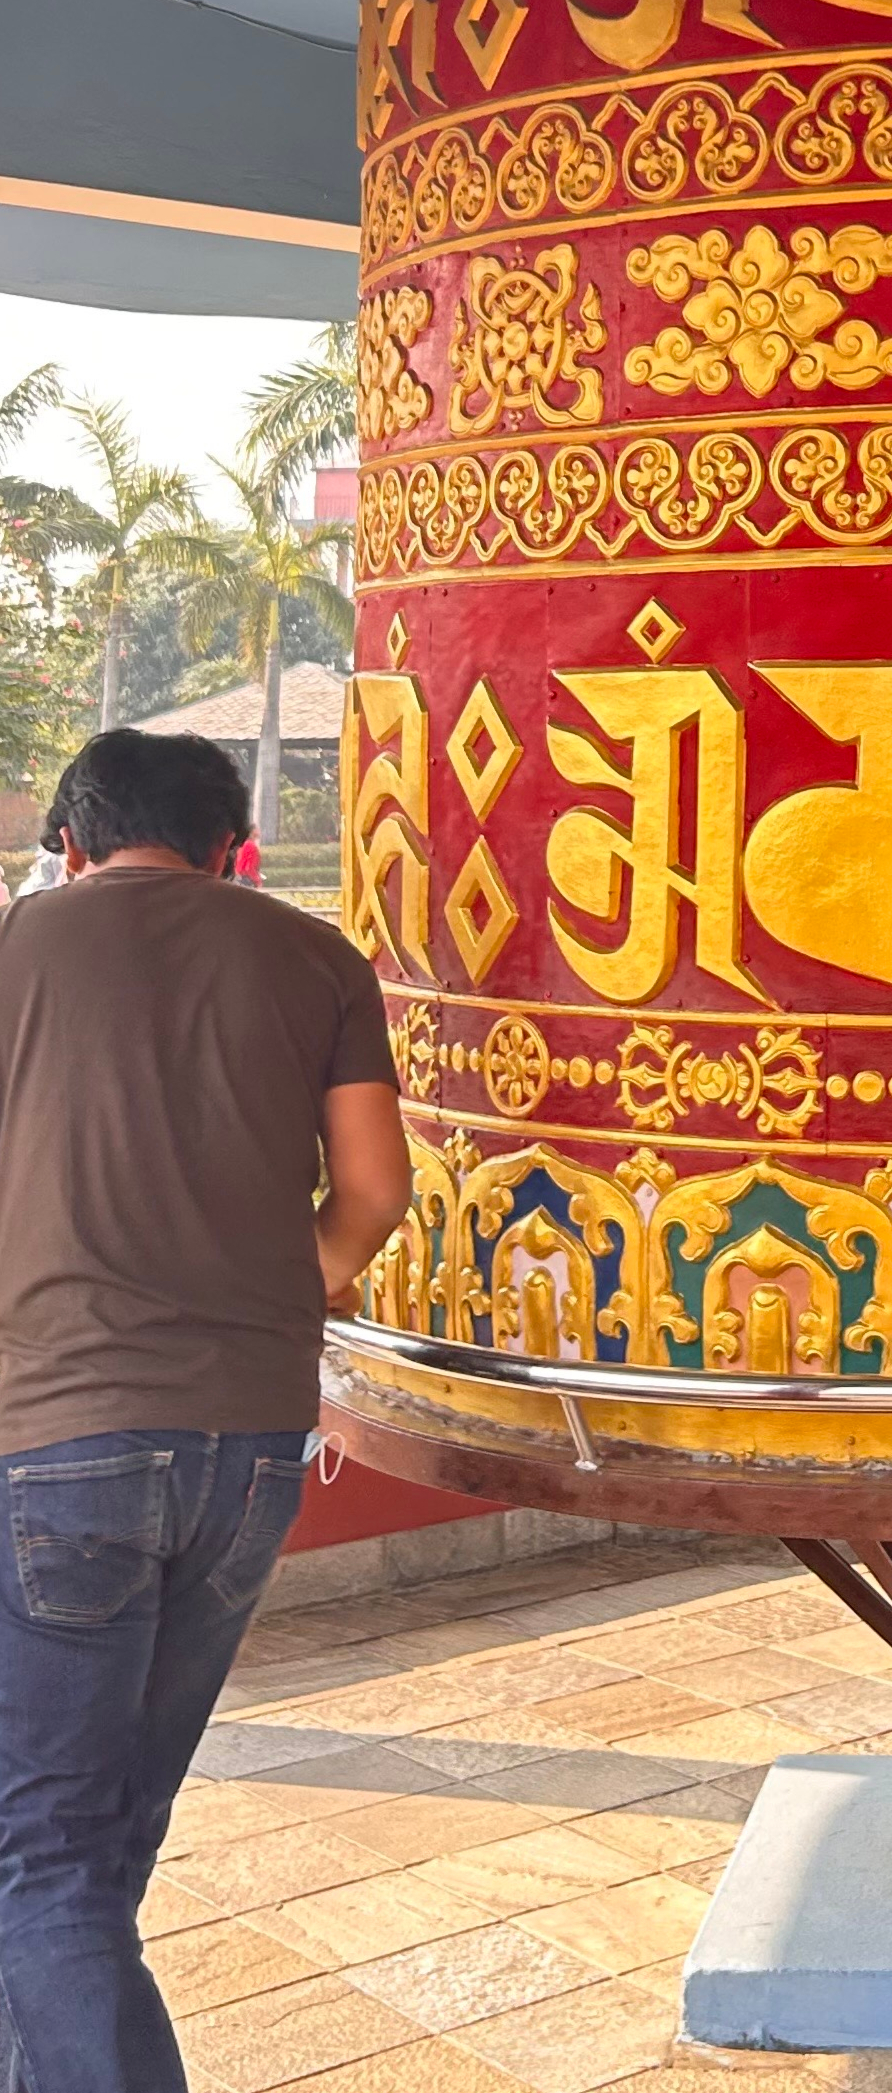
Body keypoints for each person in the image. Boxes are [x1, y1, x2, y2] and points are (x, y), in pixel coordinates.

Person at [0, 727, 410, 2089]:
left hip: (55, 1441)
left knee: (47, 1853)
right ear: (234, 845)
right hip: (249, 1452)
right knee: (101, 1840)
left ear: (68, 841)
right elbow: (374, 1196)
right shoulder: (311, 956)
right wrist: (266, 1287)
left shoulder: (16, 950)